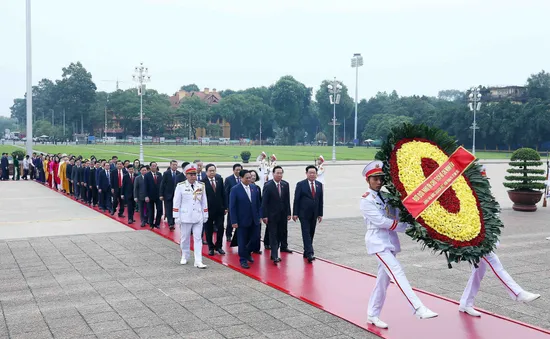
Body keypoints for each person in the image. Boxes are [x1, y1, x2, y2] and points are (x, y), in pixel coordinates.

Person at [361, 160, 437, 329]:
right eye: (375, 179)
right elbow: (381, 221)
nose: (379, 182)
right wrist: (406, 227)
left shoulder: (387, 196)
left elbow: (397, 214)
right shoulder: (366, 200)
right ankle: (418, 308)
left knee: (383, 281)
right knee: (397, 271)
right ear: (368, 180)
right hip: (377, 242)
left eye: (381, 178)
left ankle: (372, 314)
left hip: (390, 241)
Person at [458, 250, 541, 317]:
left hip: (479, 239)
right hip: (477, 242)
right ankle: (518, 294)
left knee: (478, 271)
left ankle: (466, 302)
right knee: (494, 263)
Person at [173, 163, 208, 269]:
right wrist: (176, 216)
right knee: (184, 239)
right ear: (186, 175)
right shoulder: (181, 186)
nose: (193, 176)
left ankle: (198, 260)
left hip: (198, 216)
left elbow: (204, 201)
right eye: (191, 174)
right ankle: (185, 255)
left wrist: (205, 214)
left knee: (198, 239)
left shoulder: (201, 185)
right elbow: (176, 202)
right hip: (185, 216)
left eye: (194, 174)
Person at [229, 169, 261, 269]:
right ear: (241, 178)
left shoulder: (254, 187)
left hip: (254, 219)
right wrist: (233, 221)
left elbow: (258, 204)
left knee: (255, 238)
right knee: (242, 241)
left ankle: (247, 252)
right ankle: (243, 259)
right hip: (242, 220)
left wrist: (260, 216)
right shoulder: (235, 189)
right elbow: (232, 206)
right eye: (246, 178)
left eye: (250, 177)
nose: (249, 179)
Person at [292, 165, 323, 263]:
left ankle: (306, 251)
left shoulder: (319, 184)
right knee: (306, 233)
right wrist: (295, 213)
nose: (312, 174)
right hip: (303, 213)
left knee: (311, 232)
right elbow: (296, 199)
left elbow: (320, 200)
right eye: (310, 172)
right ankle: (310, 253)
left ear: (316, 174)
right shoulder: (301, 184)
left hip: (314, 214)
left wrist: (320, 214)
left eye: (314, 173)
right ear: (306, 173)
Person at [262, 166, 292, 264]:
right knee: (273, 235)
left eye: (281, 173)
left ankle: (280, 249)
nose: (279, 175)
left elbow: (287, 200)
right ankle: (274, 255)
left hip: (283, 215)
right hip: (272, 215)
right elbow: (264, 202)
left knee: (281, 233)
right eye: (277, 173)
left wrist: (289, 213)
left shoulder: (285, 184)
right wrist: (264, 215)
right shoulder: (268, 185)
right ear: (273, 174)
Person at [202, 163, 226, 256]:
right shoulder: (202, 182)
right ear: (206, 172)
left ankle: (219, 246)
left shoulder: (219, 180)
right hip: (208, 210)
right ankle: (211, 247)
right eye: (210, 171)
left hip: (219, 209)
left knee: (220, 228)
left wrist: (225, 206)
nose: (212, 172)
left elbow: (223, 194)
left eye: (214, 171)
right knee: (208, 229)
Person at [224, 163, 243, 242]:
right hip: (232, 203)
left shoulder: (243, 178)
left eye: (240, 170)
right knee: (230, 220)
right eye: (237, 170)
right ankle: (228, 235)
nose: (238, 171)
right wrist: (227, 205)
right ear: (233, 170)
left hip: (241, 204)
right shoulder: (229, 179)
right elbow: (226, 192)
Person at [160, 160, 180, 230]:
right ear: (170, 165)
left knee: (175, 209)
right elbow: (162, 184)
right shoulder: (166, 173)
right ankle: (170, 223)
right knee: (168, 209)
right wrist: (161, 195)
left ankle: (173, 222)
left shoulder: (178, 173)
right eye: (173, 165)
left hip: (176, 195)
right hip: (167, 195)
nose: (175, 166)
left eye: (176, 165)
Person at [144, 162, 163, 228]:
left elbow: (162, 185)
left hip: (158, 196)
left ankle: (157, 223)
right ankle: (151, 223)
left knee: (160, 210)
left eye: (155, 166)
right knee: (151, 211)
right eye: (153, 166)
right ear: (150, 167)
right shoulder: (147, 175)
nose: (154, 167)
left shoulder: (159, 174)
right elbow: (145, 186)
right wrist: (146, 196)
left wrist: (162, 194)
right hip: (150, 196)